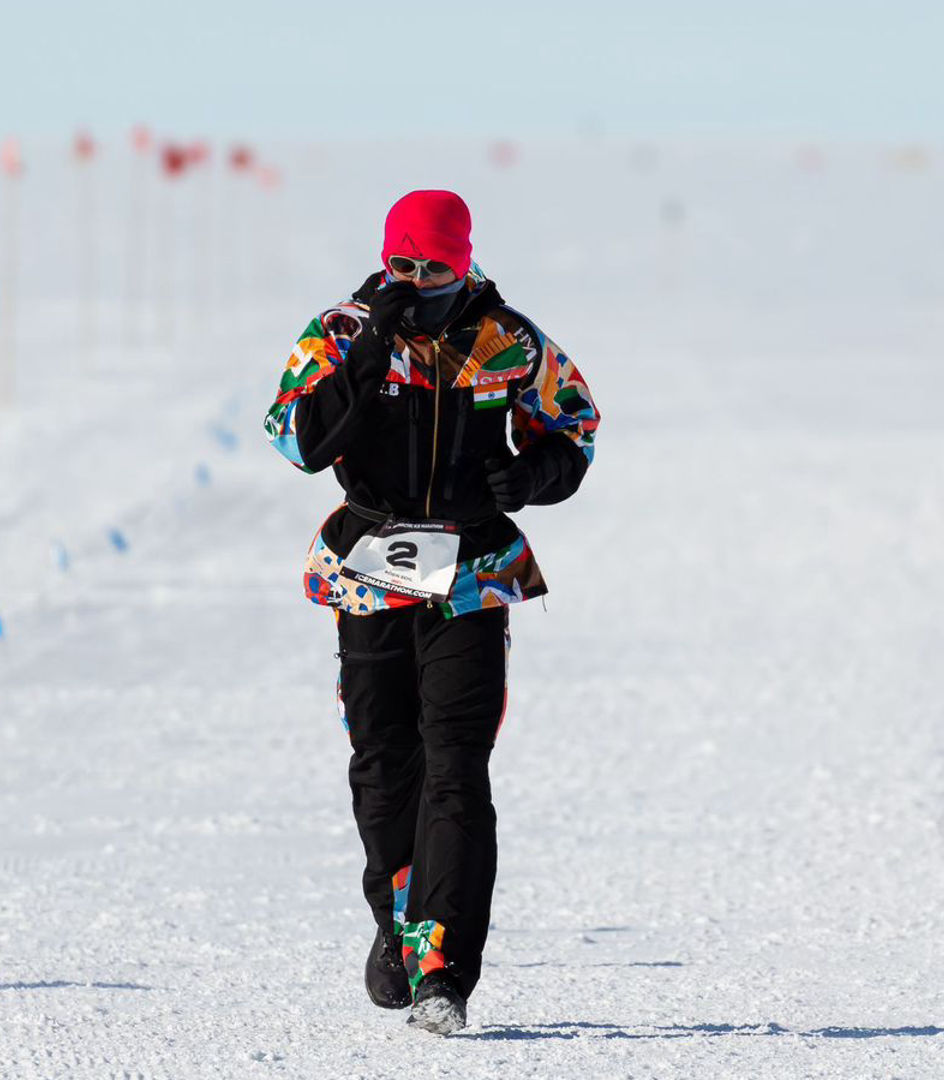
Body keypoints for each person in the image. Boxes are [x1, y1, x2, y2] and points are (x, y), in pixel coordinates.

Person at [263, 190, 601, 1034]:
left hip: (472, 572)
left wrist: (532, 475)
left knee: (455, 761)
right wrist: (368, 356)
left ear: (464, 260)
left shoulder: (508, 340)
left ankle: (444, 969)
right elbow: (297, 440)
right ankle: (397, 922)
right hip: (370, 567)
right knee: (384, 760)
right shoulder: (342, 331)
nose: (415, 280)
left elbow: (575, 427)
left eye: (433, 267)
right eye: (401, 264)